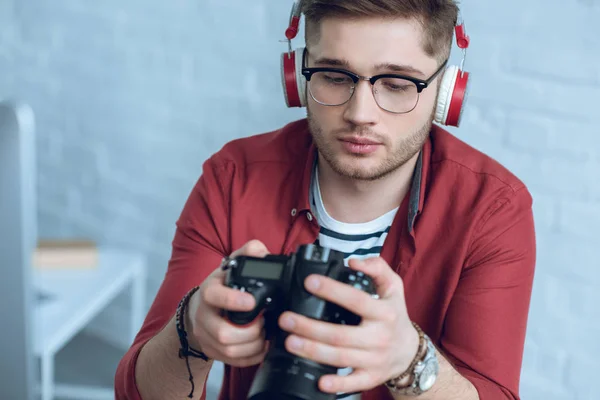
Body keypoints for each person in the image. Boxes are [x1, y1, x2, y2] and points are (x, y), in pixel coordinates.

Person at [115, 1, 536, 399]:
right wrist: (189, 332)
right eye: (335, 77)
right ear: (296, 78)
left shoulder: (493, 210)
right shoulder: (232, 178)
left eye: (396, 84)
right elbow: (135, 391)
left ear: (446, 91)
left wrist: (411, 361)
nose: (360, 113)